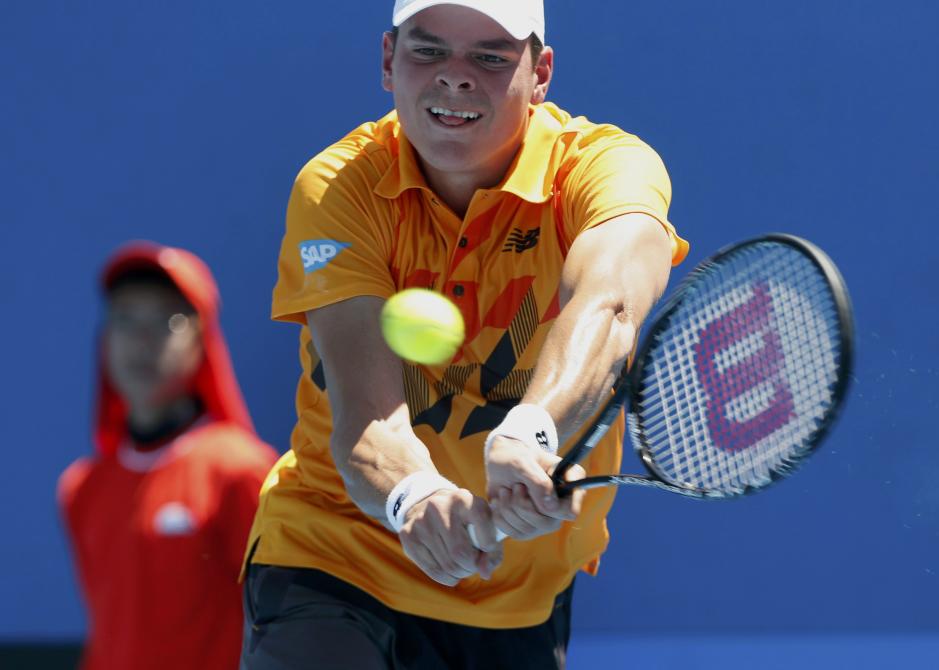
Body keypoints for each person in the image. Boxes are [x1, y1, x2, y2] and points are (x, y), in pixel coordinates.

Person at [241, 1, 690, 668]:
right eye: (428, 51)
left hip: (520, 599)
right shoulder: (338, 186)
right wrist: (415, 497)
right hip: (334, 557)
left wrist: (530, 431)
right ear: (389, 61)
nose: (455, 77)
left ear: (540, 73)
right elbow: (368, 421)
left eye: (489, 55)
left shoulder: (608, 169)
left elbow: (613, 305)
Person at [57, 242, 277, 670]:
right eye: (124, 319)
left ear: (202, 339)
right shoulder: (80, 488)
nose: (141, 340)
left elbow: (281, 625)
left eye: (166, 320)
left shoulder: (241, 470)